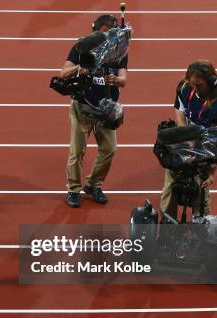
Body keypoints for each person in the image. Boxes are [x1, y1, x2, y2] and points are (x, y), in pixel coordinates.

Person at [60, 14, 128, 208]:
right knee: (77, 151)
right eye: (104, 32)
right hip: (83, 105)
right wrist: (79, 68)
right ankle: (73, 189)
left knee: (109, 149)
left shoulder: (119, 50)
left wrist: (116, 80)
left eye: (112, 32)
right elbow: (63, 72)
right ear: (95, 30)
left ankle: (93, 184)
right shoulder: (83, 46)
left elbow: (124, 78)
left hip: (107, 107)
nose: (108, 37)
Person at [160, 60, 217, 219]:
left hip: (206, 151)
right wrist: (186, 136)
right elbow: (179, 112)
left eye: (199, 85)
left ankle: (199, 231)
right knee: (169, 188)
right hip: (185, 144)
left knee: (200, 194)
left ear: (211, 82)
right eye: (192, 85)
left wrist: (212, 173)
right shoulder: (185, 87)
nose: (195, 89)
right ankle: (167, 226)